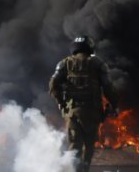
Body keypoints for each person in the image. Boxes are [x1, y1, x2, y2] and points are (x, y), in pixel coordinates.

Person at [49, 35, 118, 172]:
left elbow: (53, 85)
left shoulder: (64, 64)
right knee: (89, 147)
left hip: (72, 112)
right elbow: (108, 87)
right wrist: (114, 105)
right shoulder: (98, 64)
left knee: (75, 147)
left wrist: (61, 103)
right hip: (92, 113)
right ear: (90, 47)